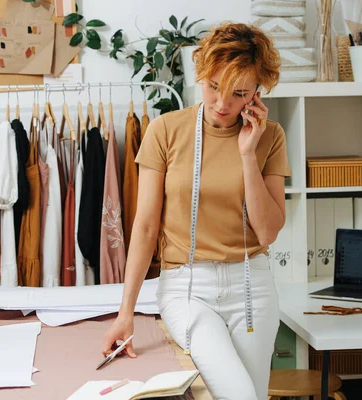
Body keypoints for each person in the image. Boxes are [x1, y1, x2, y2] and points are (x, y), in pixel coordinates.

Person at [103, 22, 291, 400]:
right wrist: (125, 312)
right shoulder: (165, 130)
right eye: (213, 86)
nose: (223, 103)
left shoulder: (270, 136)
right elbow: (144, 227)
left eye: (239, 93)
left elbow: (268, 232)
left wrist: (247, 154)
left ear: (257, 92)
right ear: (200, 75)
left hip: (253, 285)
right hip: (187, 288)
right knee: (239, 394)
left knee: (252, 394)